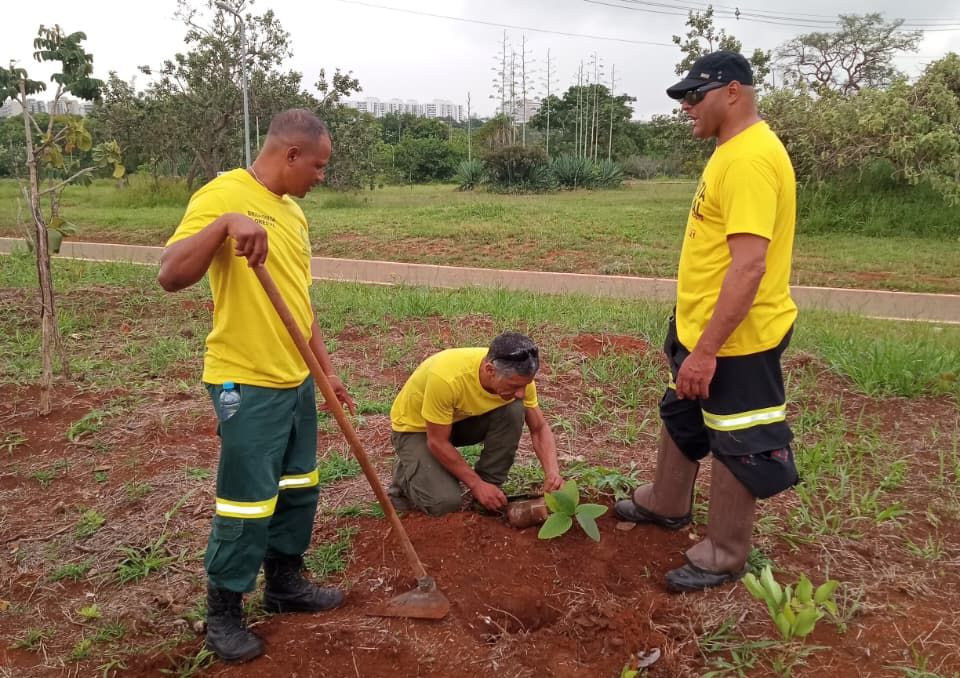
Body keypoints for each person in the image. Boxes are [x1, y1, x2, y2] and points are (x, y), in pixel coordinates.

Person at [158, 109, 356, 662]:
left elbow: (301, 303)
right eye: (317, 166)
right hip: (244, 380)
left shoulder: (292, 215)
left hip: (296, 380)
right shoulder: (224, 194)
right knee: (247, 502)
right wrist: (224, 226)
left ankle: (285, 583)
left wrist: (326, 370)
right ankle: (223, 611)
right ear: (290, 155)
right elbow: (170, 274)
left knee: (298, 487)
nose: (321, 176)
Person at [614, 52, 799, 592]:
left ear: (734, 92)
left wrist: (708, 350)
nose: (686, 107)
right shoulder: (730, 150)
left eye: (695, 97)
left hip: (736, 340)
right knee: (684, 409)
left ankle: (724, 552)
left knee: (738, 437)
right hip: (701, 328)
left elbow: (749, 267)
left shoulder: (749, 161)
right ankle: (668, 501)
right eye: (682, 99)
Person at [388, 331, 564, 516]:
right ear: (490, 370)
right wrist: (475, 484)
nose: (521, 392)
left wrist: (552, 472)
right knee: (444, 504)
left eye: (525, 385)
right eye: (514, 386)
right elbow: (437, 442)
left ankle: (490, 488)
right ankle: (406, 473)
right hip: (418, 429)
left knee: (514, 408)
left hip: (459, 421)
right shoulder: (447, 378)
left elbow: (539, 428)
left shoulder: (520, 379)